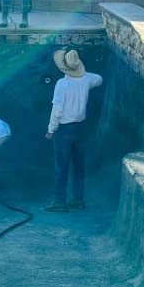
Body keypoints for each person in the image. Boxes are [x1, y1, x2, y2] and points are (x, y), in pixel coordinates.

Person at [43, 49, 103, 213]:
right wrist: (83, 75)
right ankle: (78, 199)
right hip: (81, 128)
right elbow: (100, 79)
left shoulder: (62, 84)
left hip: (64, 129)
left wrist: (50, 130)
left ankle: (59, 201)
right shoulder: (87, 79)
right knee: (79, 165)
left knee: (61, 166)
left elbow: (57, 110)